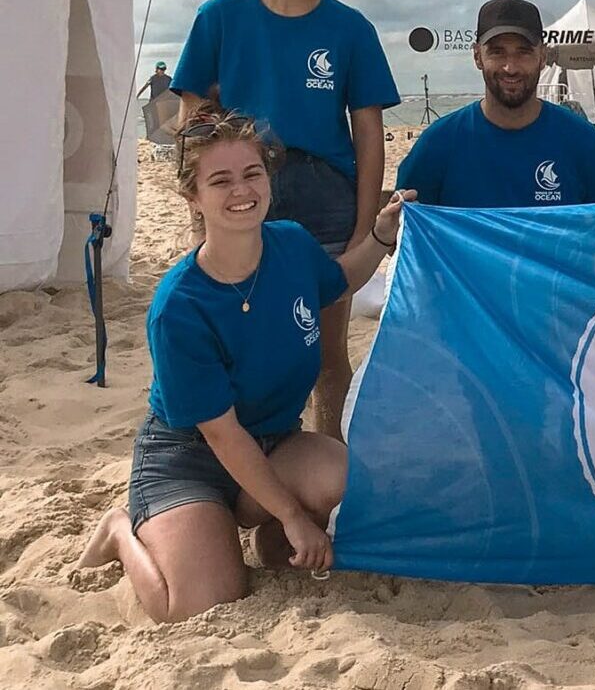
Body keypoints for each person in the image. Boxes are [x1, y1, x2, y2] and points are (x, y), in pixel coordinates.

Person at [77, 105, 416, 621]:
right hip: (187, 458)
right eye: (221, 180)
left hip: (274, 439)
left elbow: (340, 280)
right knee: (194, 604)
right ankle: (121, 530)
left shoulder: (292, 245)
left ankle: (265, 531)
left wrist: (381, 236)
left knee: (344, 481)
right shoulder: (180, 306)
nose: (242, 191)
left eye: (252, 173)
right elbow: (221, 434)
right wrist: (294, 516)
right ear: (194, 196)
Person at [171, 0, 400, 442]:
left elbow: (369, 133)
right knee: (248, 349)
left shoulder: (350, 28)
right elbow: (193, 123)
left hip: (326, 199)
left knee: (325, 356)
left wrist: (364, 223)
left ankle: (325, 472)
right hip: (245, 193)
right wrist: (203, 218)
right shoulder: (219, 18)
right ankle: (258, 480)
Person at [397, 0, 595, 207]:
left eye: (523, 52)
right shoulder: (438, 142)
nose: (510, 67)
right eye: (497, 52)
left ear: (543, 56)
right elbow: (402, 235)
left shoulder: (581, 139)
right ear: (477, 56)